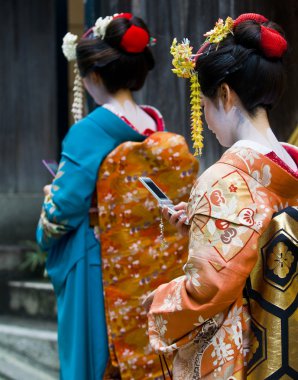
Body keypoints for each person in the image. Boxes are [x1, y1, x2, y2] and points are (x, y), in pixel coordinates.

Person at [36, 12, 198, 380]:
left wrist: (48, 210)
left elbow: (62, 210)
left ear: (92, 75)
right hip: (148, 265)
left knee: (97, 362)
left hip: (98, 262)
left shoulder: (89, 131)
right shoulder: (154, 125)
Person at [146, 13, 298, 379]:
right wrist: (201, 226)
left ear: (226, 95)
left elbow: (207, 290)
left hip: (247, 351)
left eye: (204, 106)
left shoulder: (223, 179)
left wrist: (159, 302)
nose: (207, 122)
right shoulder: (289, 168)